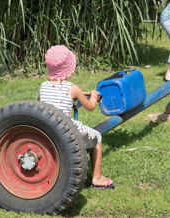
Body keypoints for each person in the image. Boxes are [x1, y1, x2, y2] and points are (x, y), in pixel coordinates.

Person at [39, 45, 114, 189]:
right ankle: (97, 178)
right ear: (69, 69)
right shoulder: (72, 88)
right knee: (97, 136)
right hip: (66, 128)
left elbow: (39, 104)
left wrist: (80, 93)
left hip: (47, 126)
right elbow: (90, 106)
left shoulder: (43, 86)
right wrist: (92, 96)